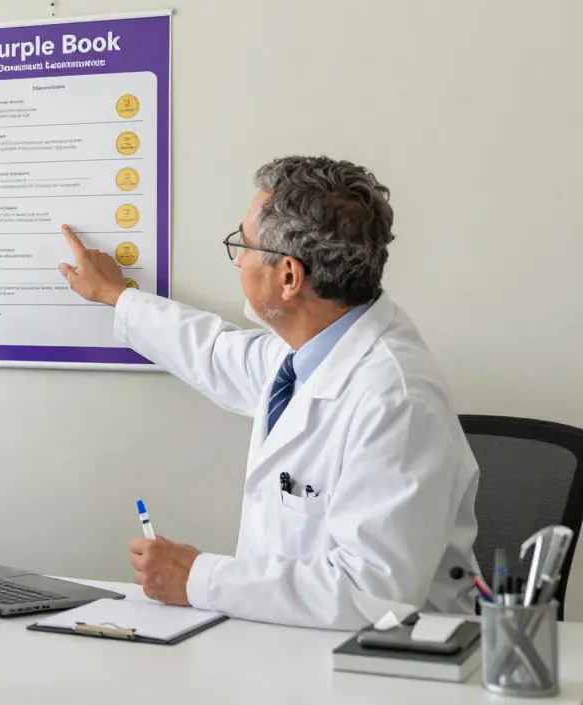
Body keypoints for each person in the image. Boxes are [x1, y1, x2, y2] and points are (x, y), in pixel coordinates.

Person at [59, 155, 479, 630]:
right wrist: (117, 297)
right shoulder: (310, 351)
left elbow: (374, 596)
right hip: (290, 646)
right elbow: (214, 352)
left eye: (244, 244)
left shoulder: (396, 400)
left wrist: (197, 577)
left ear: (288, 277)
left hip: (396, 674)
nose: (237, 258)